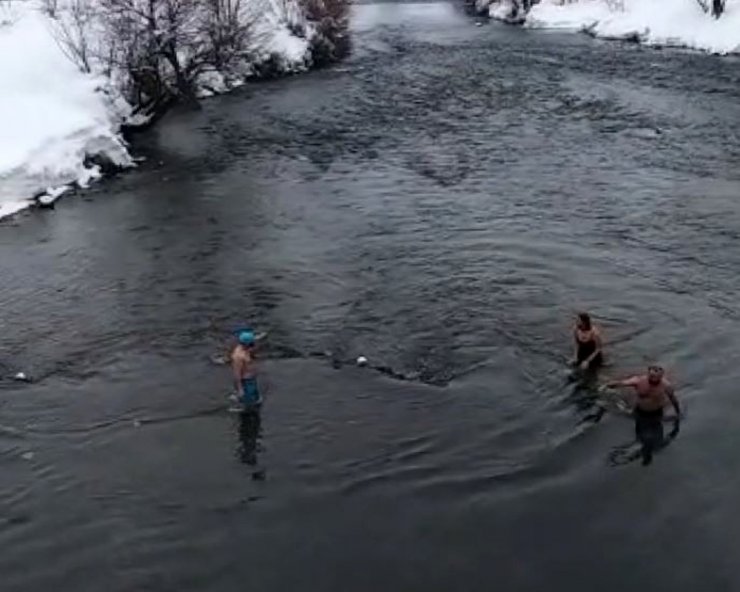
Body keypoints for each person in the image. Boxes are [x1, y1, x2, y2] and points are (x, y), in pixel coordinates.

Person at [606, 365, 681, 465]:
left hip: (656, 413)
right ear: (648, 374)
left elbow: (673, 399)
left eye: (656, 377)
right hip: (640, 412)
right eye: (651, 376)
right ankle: (643, 440)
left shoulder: (666, 386)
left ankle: (648, 442)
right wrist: (613, 384)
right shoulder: (639, 381)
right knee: (641, 434)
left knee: (655, 433)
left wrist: (678, 413)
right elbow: (623, 383)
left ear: (661, 376)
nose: (653, 379)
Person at [231, 330, 262, 408]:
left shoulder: (246, 349)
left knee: (256, 400)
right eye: (251, 343)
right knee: (249, 405)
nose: (253, 344)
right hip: (246, 382)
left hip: (252, 380)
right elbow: (237, 373)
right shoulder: (238, 356)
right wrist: (240, 388)